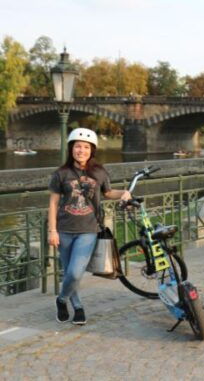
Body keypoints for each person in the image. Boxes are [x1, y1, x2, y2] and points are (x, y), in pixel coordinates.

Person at [48, 128, 132, 325]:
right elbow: (53, 203)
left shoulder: (99, 172)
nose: (81, 150)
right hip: (64, 229)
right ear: (71, 149)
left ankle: (61, 299)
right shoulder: (61, 174)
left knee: (76, 272)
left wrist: (125, 193)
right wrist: (52, 230)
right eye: (78, 146)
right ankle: (77, 307)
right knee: (69, 271)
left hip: (88, 229)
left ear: (91, 150)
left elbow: (108, 193)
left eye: (86, 147)